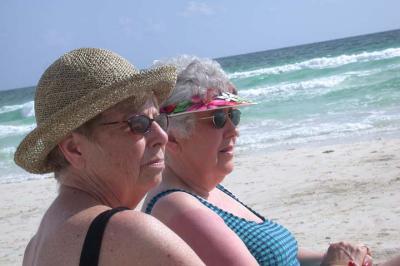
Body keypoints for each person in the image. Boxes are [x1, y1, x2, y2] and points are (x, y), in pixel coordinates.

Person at [142, 56, 372, 266]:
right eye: (219, 119)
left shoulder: (208, 190)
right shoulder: (179, 209)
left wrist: (336, 256)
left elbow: (281, 256)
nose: (234, 131)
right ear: (172, 135)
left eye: (234, 115)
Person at [16, 48, 204, 266]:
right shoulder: (129, 233)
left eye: (158, 120)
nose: (162, 136)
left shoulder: (35, 247)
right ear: (75, 148)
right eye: (138, 124)